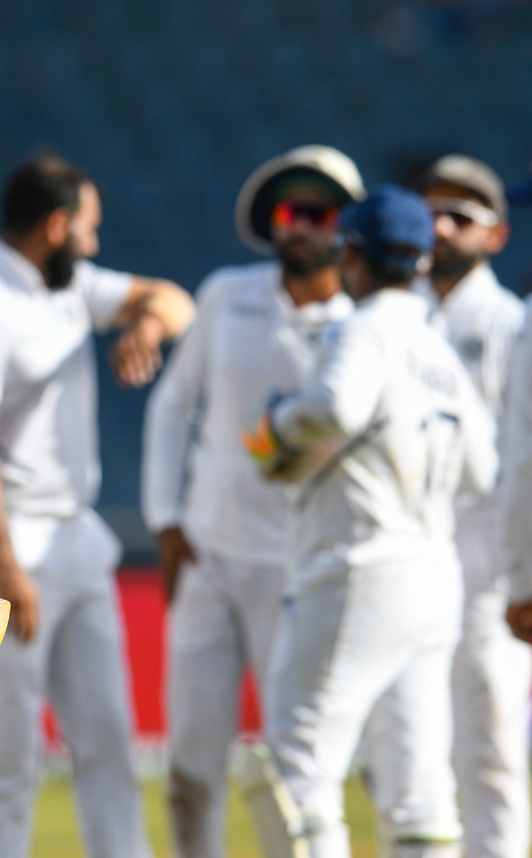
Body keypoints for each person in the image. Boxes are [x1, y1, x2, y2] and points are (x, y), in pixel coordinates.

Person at [0, 155, 195, 858]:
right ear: (55, 226)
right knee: (6, 753)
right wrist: (6, 567)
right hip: (0, 543)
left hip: (76, 537)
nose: (96, 245)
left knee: (109, 740)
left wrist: (146, 329)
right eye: (89, 229)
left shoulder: (67, 288)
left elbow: (174, 299)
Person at [242, 186, 496, 858]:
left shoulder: (361, 329)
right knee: (419, 789)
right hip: (432, 572)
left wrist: (276, 430)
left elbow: (334, 407)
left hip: (359, 564)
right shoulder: (436, 347)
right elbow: (481, 469)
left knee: (298, 765)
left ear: (353, 254)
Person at [141, 145, 362, 858]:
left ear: (346, 226)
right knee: (189, 769)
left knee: (298, 768)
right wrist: (165, 522)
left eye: (318, 212)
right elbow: (173, 407)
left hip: (299, 572)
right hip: (208, 558)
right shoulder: (227, 293)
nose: (298, 226)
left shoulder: (364, 326)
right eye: (287, 211)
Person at [364, 155, 528, 858]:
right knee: (397, 752)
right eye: (432, 210)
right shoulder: (392, 316)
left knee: (487, 751)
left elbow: (517, 463)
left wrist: (523, 577)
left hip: (485, 567)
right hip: (404, 560)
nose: (442, 225)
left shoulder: (510, 324)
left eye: (463, 215)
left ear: (497, 236)